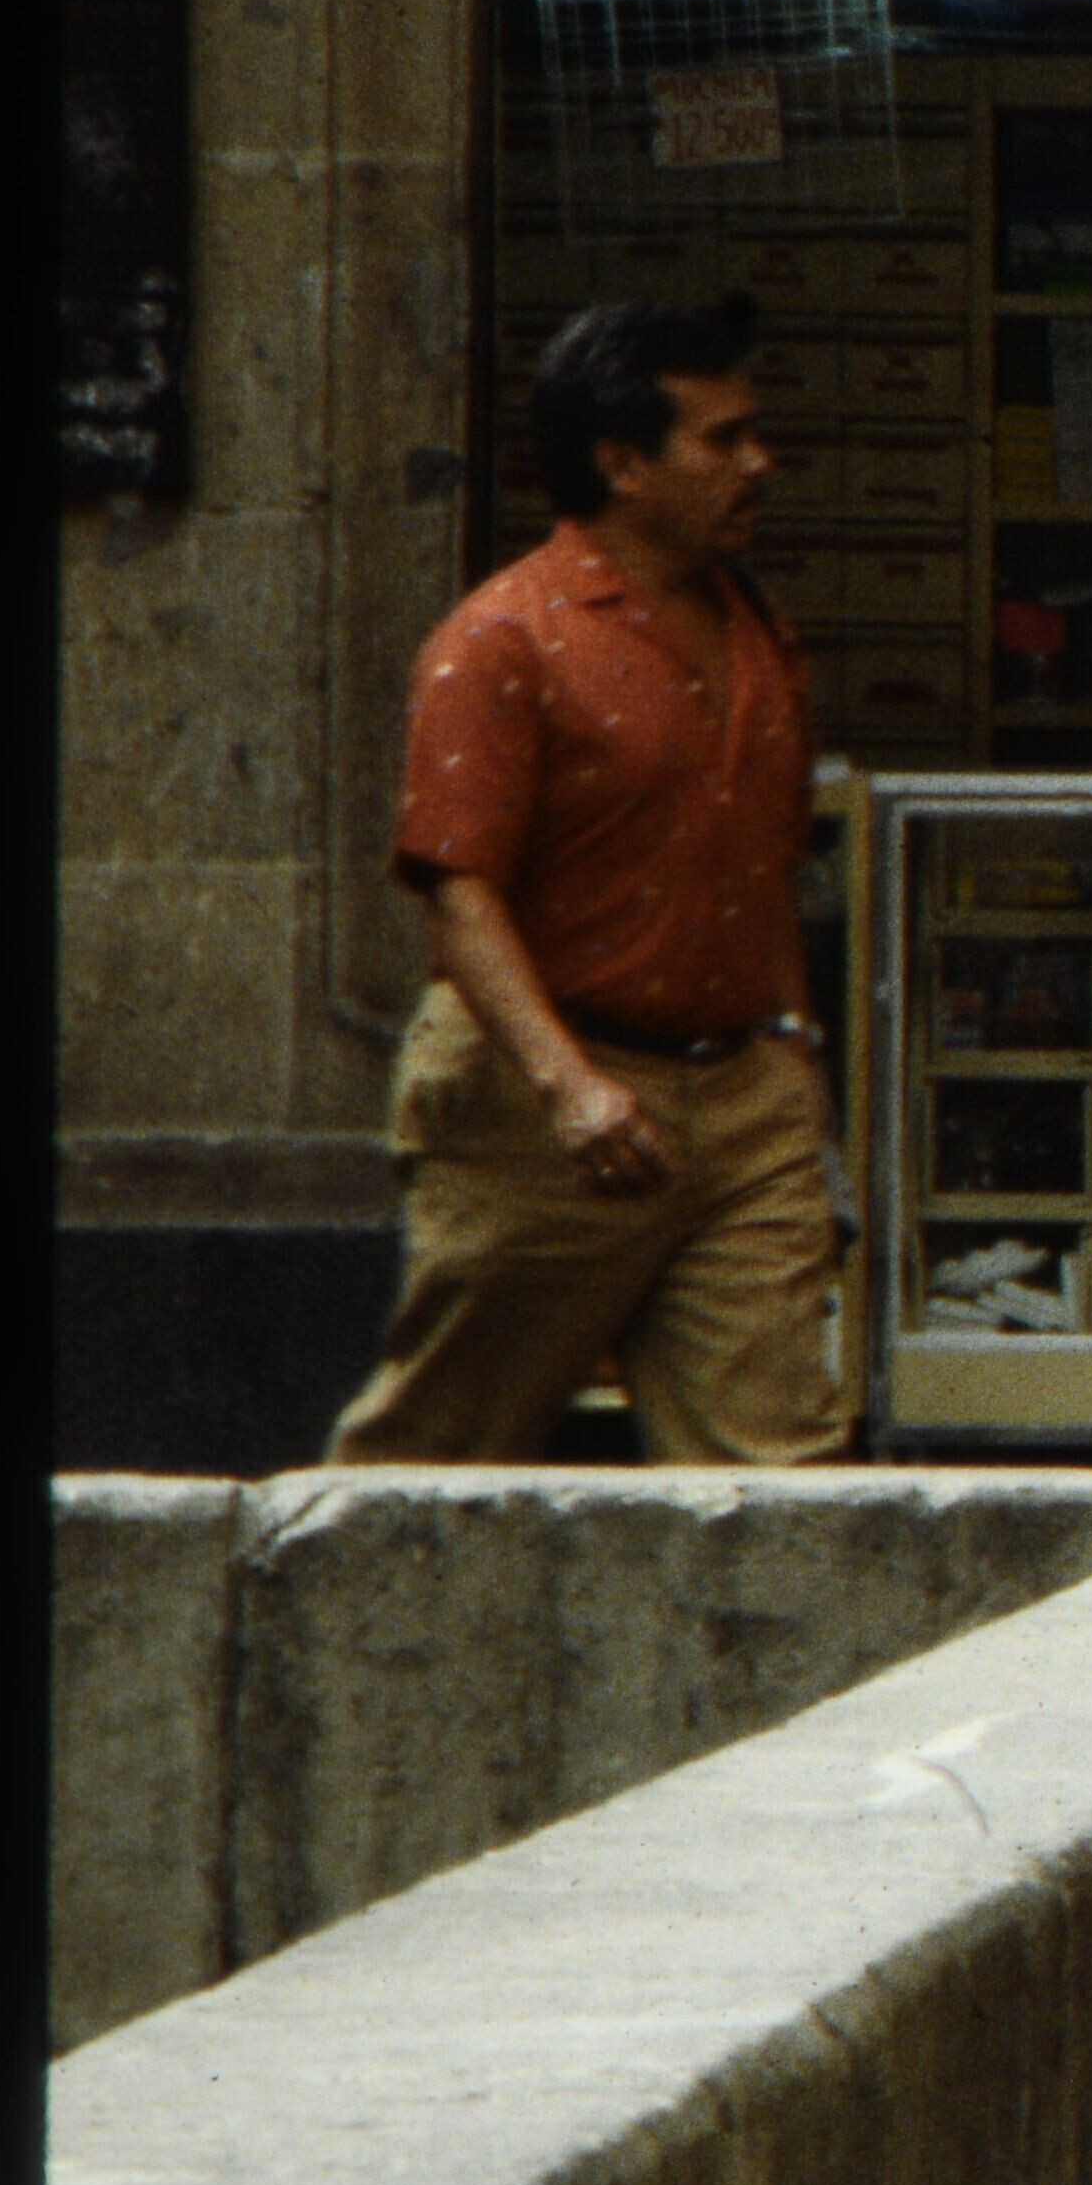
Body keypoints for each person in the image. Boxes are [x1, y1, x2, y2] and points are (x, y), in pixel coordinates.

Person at [326, 293, 845, 1465]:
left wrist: (795, 1051)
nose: (759, 462)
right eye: (722, 438)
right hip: (547, 1095)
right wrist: (569, 1088)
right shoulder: (501, 639)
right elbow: (458, 893)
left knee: (782, 1469)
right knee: (444, 1449)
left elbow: (762, 865)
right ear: (622, 463)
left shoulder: (759, 629)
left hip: (741, 1091)